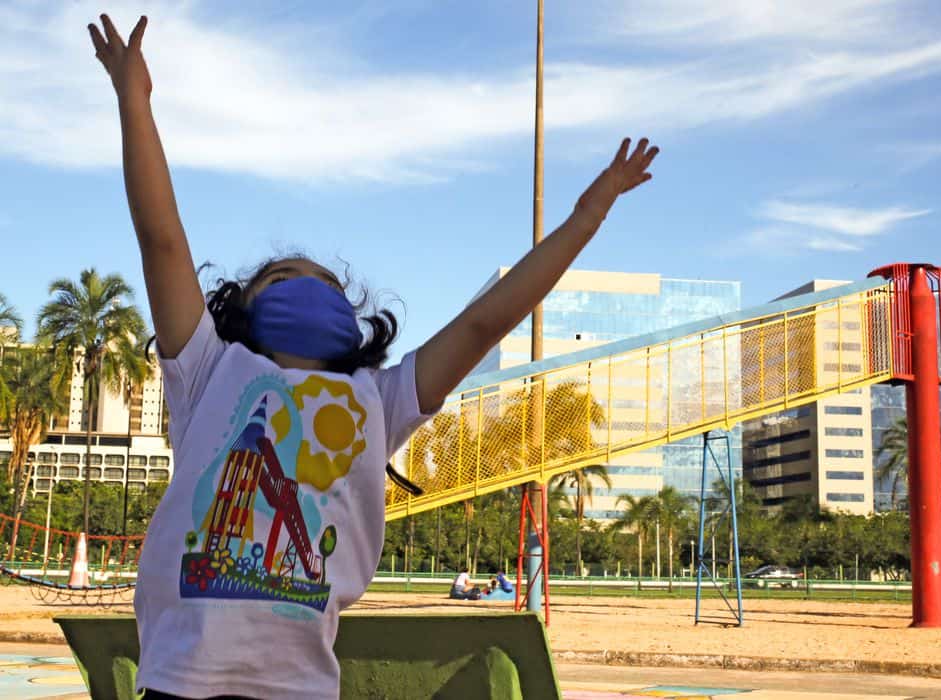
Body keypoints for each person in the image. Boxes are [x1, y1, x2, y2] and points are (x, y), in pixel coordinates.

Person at [87, 13, 657, 700]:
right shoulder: (207, 368)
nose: (306, 286)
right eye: (283, 280)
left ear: (353, 329)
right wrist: (134, 101)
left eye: (323, 286)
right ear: (244, 314)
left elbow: (485, 323)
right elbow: (163, 241)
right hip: (182, 683)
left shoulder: (376, 400)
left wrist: (586, 219)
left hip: (301, 688)